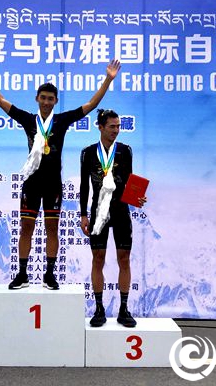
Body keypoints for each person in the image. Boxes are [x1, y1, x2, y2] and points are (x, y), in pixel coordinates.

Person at [0, 60, 121, 290]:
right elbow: (0, 101)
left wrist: (108, 79)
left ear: (55, 101)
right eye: (43, 98)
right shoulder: (28, 120)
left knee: (52, 229)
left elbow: (92, 104)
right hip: (31, 183)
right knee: (26, 228)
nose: (46, 102)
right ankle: (22, 274)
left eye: (50, 98)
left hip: (53, 184)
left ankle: (50, 274)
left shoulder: (61, 121)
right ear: (37, 99)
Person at [79, 109, 146, 327]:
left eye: (118, 126)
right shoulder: (88, 153)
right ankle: (99, 309)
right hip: (98, 211)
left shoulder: (125, 151)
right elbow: (84, 186)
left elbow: (130, 181)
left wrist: (138, 197)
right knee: (98, 258)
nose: (116, 130)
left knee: (124, 259)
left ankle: (124, 309)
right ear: (100, 127)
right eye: (112, 127)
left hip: (120, 211)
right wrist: (83, 214)